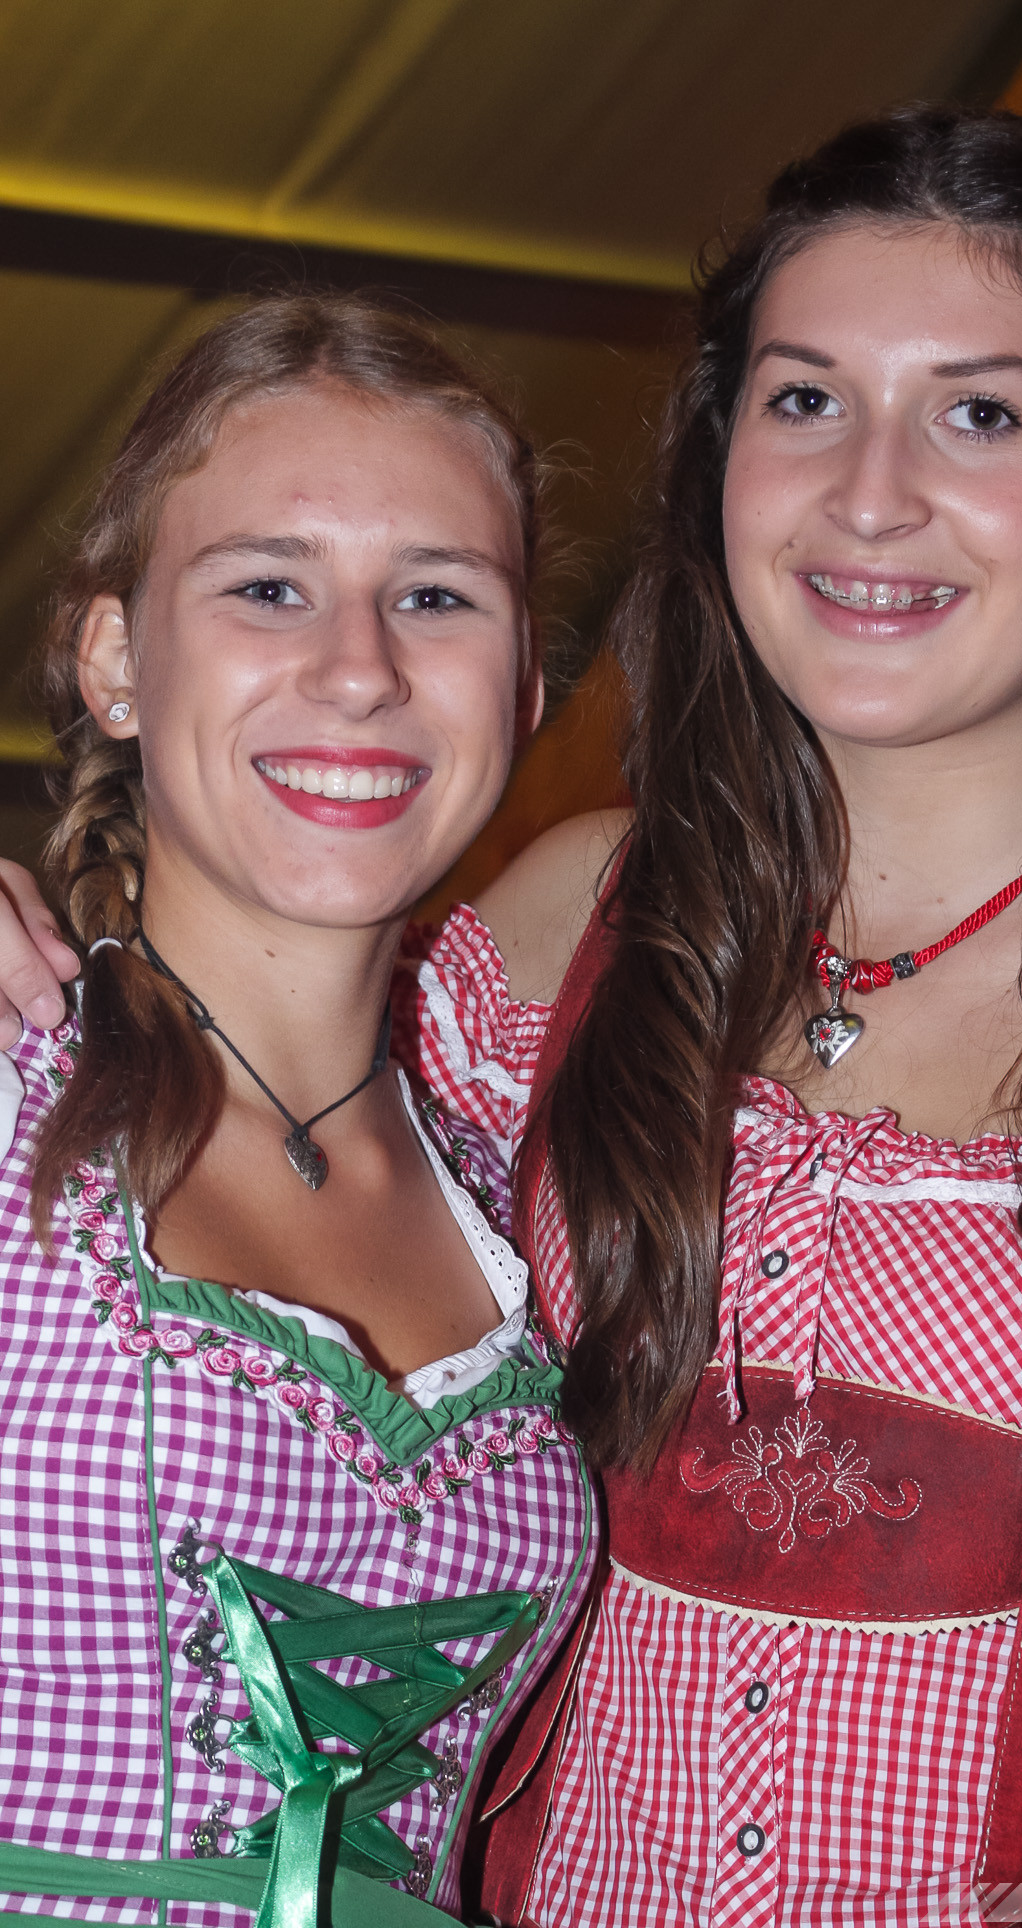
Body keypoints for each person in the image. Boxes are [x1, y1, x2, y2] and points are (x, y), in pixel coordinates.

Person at [1, 109, 1022, 1920]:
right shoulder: (572, 928)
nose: (870, 492)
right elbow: (248, 1026)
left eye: (980, 414)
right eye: (806, 400)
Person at [0, 296, 598, 1924]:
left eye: (437, 596)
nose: (360, 668)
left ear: (523, 691)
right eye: (270, 586)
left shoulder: (523, 1190)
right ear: (116, 661)